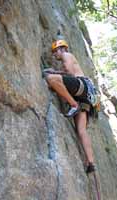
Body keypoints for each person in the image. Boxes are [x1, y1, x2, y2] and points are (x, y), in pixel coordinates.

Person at [44, 39, 95, 173]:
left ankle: (73, 104)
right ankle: (90, 162)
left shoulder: (67, 55)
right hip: (85, 95)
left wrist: (54, 72)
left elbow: (70, 72)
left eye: (55, 52)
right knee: (81, 130)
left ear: (61, 49)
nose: (55, 55)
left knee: (50, 79)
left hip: (81, 86)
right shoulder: (69, 57)